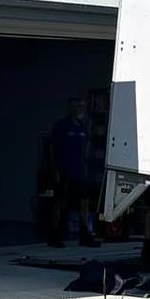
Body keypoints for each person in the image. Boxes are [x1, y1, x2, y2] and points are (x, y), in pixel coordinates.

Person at [45, 96, 100, 249]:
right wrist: (55, 169)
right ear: (70, 108)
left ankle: (85, 235)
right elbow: (52, 149)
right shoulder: (61, 126)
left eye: (82, 106)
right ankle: (55, 235)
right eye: (77, 107)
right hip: (63, 171)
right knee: (60, 204)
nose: (80, 109)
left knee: (84, 203)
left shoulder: (82, 127)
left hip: (80, 172)